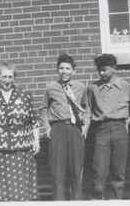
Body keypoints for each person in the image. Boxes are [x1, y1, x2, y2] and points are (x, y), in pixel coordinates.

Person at [0, 62, 40, 201]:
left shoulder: (24, 96)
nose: (7, 80)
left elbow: (34, 122)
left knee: (20, 189)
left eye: (10, 77)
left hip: (20, 151)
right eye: (4, 77)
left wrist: (36, 140)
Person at [41, 53, 89, 200]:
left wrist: (85, 127)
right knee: (58, 171)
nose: (64, 71)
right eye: (61, 68)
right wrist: (47, 128)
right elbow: (43, 109)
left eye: (68, 68)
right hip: (58, 129)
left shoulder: (80, 87)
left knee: (76, 170)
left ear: (73, 71)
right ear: (57, 70)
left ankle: (77, 201)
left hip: (75, 129)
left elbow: (86, 108)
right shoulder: (51, 87)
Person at [86, 54, 130, 199]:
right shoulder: (92, 88)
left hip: (120, 129)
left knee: (118, 171)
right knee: (99, 170)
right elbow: (88, 109)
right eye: (99, 70)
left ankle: (116, 200)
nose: (101, 73)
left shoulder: (125, 86)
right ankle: (98, 199)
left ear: (114, 68)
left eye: (104, 70)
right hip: (101, 130)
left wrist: (126, 124)